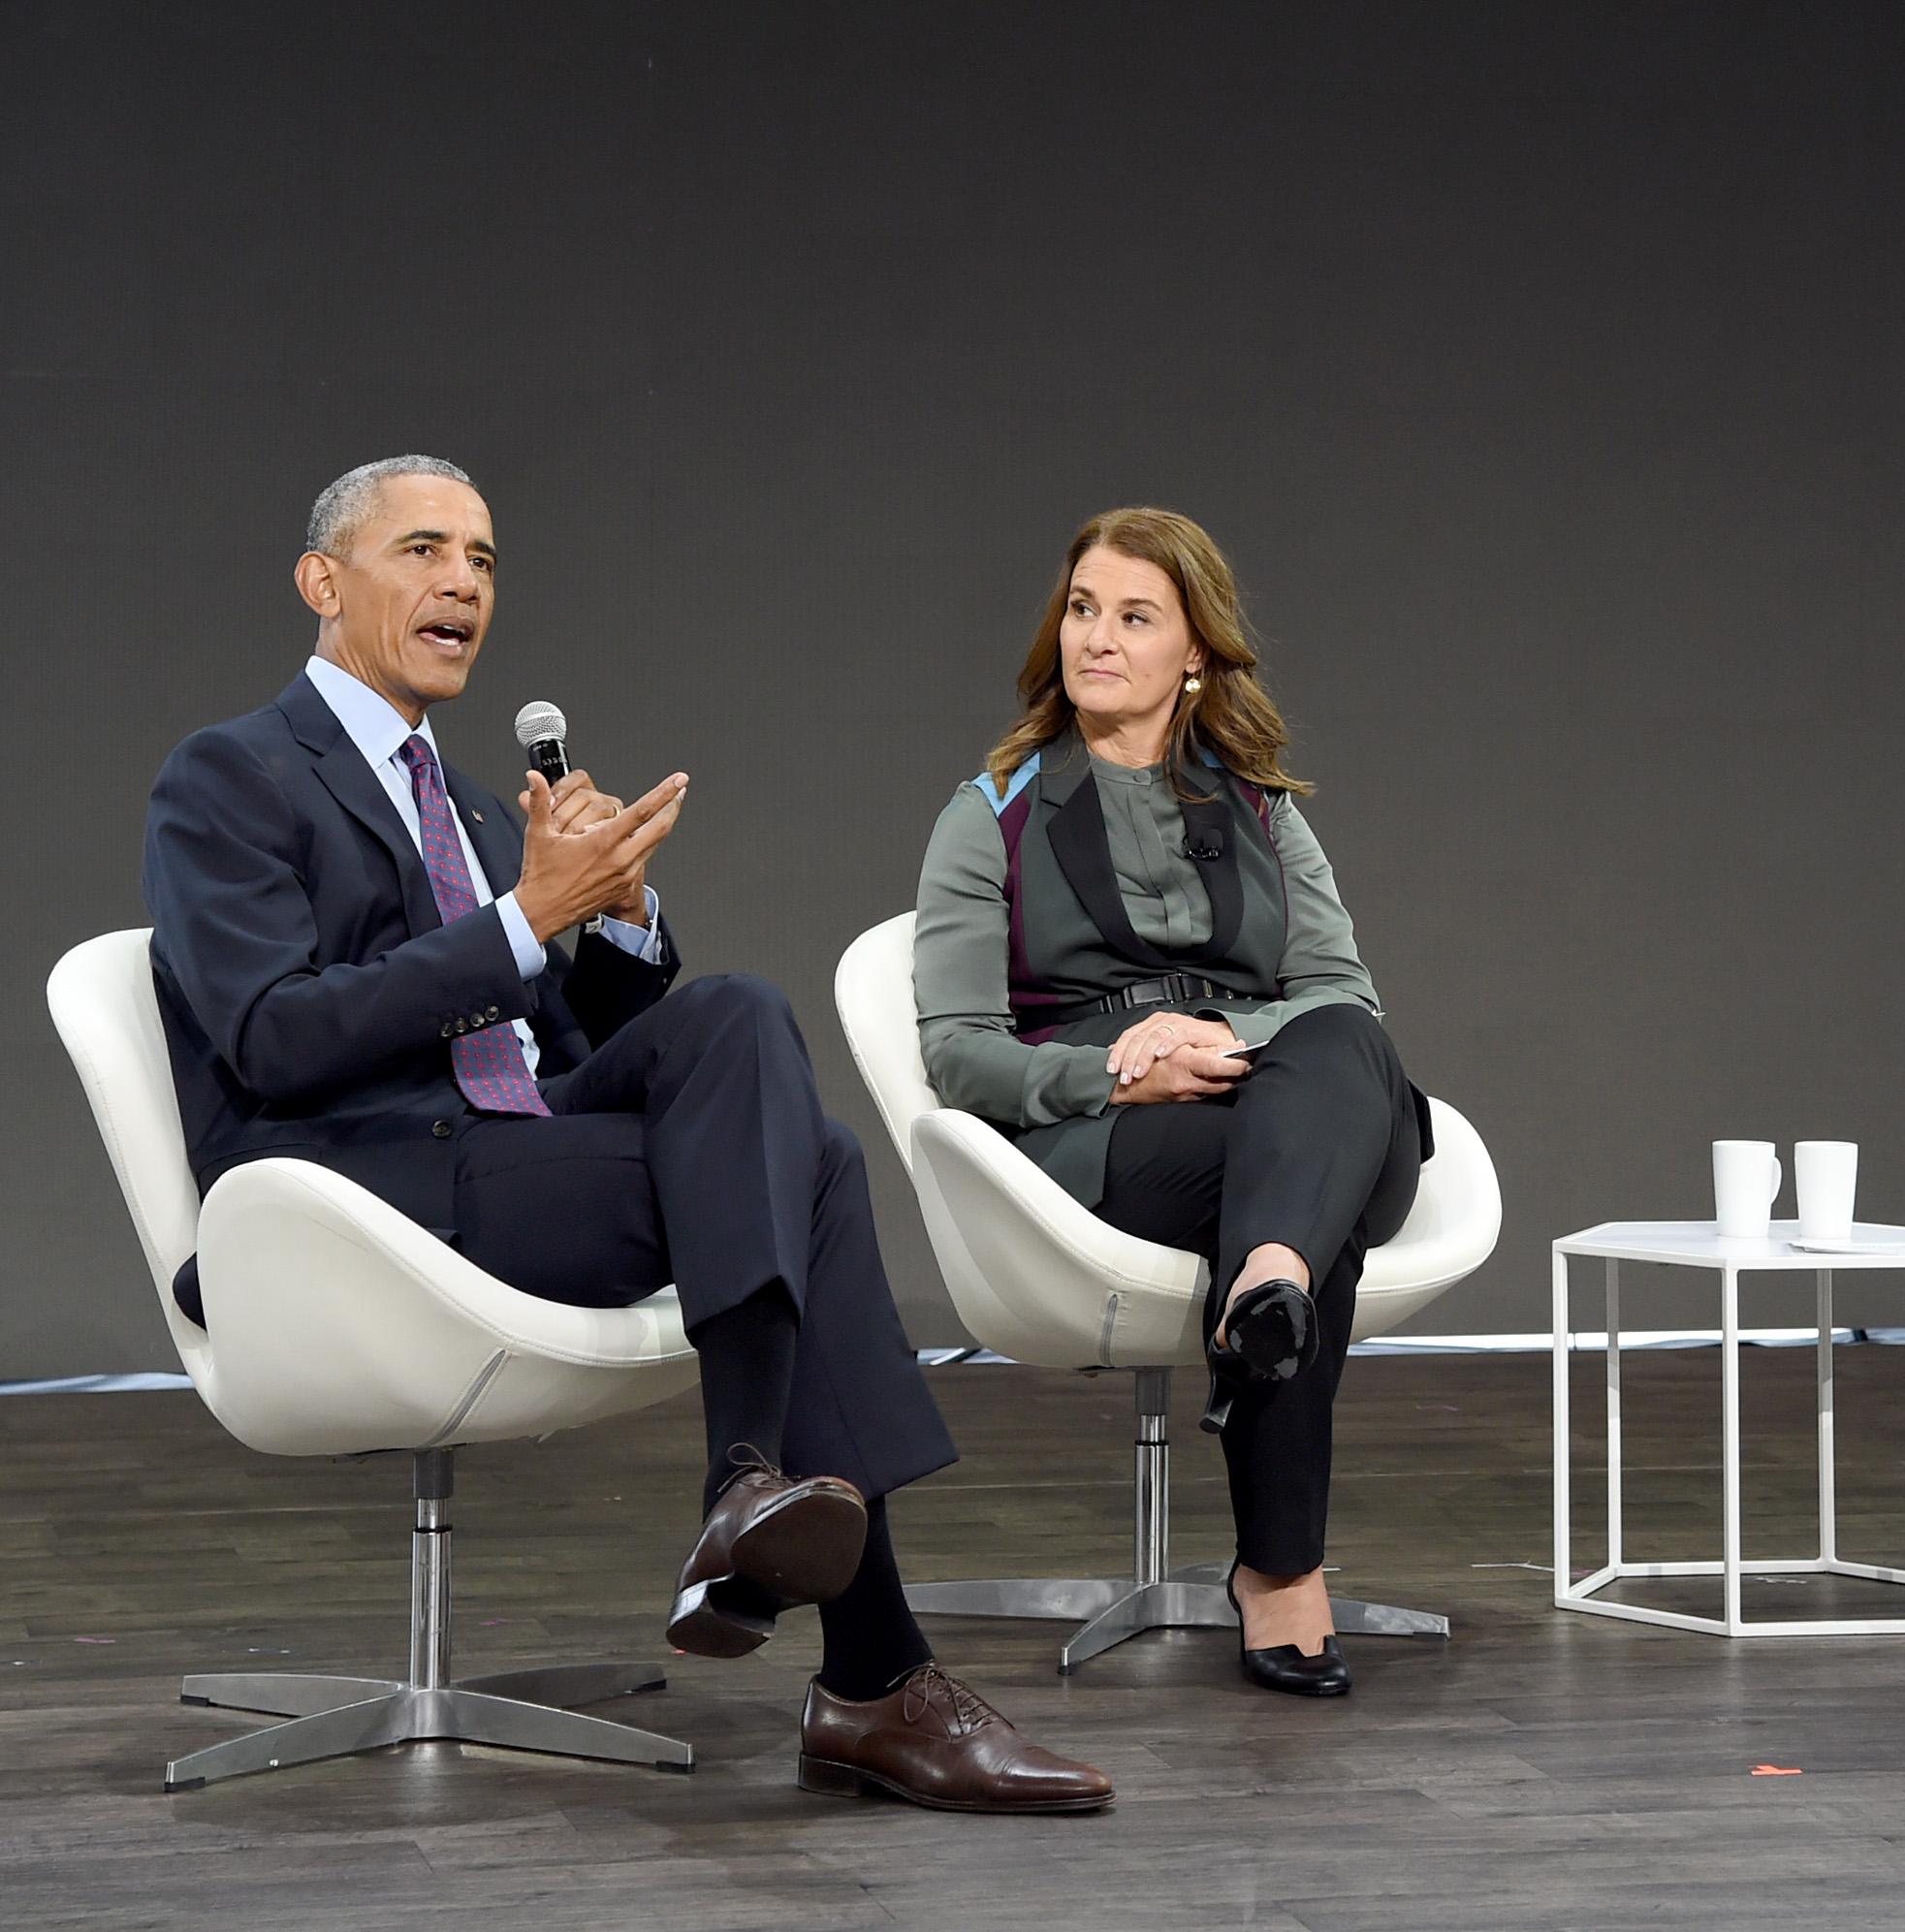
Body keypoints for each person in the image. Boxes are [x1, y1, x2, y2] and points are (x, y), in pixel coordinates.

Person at [142, 456, 1112, 1811]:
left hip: (513, 1154)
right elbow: (275, 1038)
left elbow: (571, 1044)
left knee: (734, 1016)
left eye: (482, 561)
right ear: (323, 581)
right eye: (424, 550)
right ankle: (862, 1661)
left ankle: (760, 1508)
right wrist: (525, 918)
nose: (463, 585)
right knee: (816, 1168)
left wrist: (612, 921)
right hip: (358, 1193)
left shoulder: (486, 811)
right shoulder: (231, 776)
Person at [913, 507, 1430, 1696]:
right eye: (1083, 608)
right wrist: (1114, 1067)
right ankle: (1282, 1564)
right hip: (1112, 1135)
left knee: (1345, 1046)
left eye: (1135, 615)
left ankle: (1269, 1279)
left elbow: (1340, 996)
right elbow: (957, 1053)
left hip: (1284, 1092)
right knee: (1312, 1211)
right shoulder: (989, 811)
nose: (1097, 636)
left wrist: (1216, 1036)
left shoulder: (1262, 809)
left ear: (1193, 651)